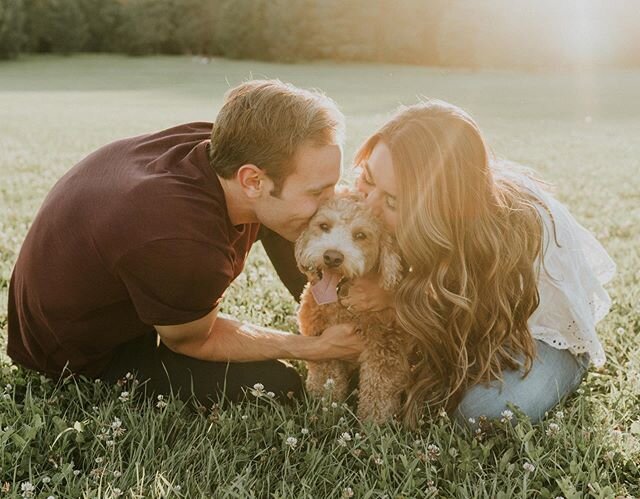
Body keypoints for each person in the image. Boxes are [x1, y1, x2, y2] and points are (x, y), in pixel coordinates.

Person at [7, 79, 365, 405]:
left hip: (109, 291)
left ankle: (338, 311)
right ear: (252, 180)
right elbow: (194, 340)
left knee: (285, 217)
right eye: (318, 191)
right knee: (276, 383)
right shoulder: (182, 241)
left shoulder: (226, 148)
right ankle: (331, 335)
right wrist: (315, 347)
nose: (331, 202)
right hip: (76, 352)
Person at [342, 99, 616, 426]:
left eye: (392, 201)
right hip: (458, 314)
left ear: (437, 211)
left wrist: (395, 298)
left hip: (535, 331)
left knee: (483, 413)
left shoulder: (514, 227)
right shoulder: (382, 211)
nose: (368, 206)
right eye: (368, 179)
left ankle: (570, 370)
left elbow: (479, 329)